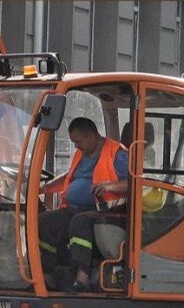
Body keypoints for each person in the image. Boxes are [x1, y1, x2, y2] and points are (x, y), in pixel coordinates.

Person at [37, 118, 129, 291]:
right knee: (45, 221)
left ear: (91, 135)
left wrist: (108, 186)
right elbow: (69, 177)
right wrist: (43, 188)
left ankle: (82, 279)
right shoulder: (82, 153)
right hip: (73, 209)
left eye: (78, 141)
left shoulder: (116, 154)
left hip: (106, 212)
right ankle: (47, 274)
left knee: (79, 222)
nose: (76, 147)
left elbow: (134, 183)